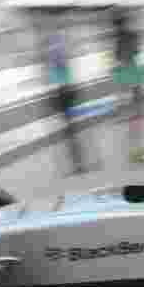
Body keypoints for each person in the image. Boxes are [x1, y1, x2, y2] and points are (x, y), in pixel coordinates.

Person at [45, 12, 88, 175]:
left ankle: (78, 164)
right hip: (66, 90)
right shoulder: (59, 43)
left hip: (64, 91)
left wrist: (55, 58)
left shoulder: (56, 45)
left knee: (70, 130)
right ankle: (78, 163)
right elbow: (63, 65)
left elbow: (61, 64)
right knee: (71, 129)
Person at [112, 8, 144, 164]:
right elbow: (137, 51)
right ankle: (136, 152)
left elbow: (119, 57)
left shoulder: (118, 42)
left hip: (127, 80)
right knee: (136, 117)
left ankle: (134, 152)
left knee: (132, 118)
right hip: (133, 79)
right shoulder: (131, 37)